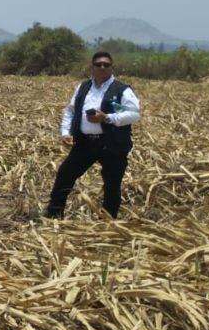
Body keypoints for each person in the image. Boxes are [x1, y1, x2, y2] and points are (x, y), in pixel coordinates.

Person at [44, 51, 141, 219]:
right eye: (98, 64)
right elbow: (70, 111)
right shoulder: (83, 87)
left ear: (111, 67)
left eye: (106, 64)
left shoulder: (121, 90)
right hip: (85, 143)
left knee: (112, 184)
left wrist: (107, 118)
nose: (102, 67)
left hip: (111, 144)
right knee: (65, 175)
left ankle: (107, 220)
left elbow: (134, 114)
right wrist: (66, 132)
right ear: (92, 67)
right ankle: (54, 214)